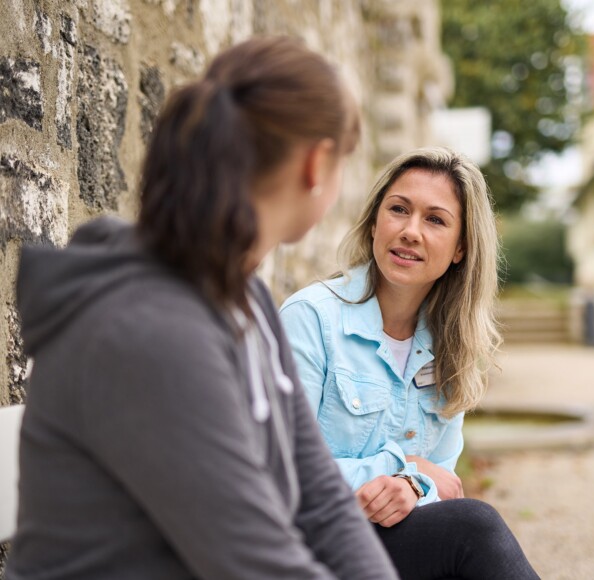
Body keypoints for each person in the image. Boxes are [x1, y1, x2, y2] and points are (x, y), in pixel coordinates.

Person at [7, 37, 399, 579]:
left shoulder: (248, 299)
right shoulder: (148, 331)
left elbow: (324, 503)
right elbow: (256, 565)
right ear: (316, 164)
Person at [280, 147, 540, 580]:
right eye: (398, 210)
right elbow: (280, 469)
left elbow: (443, 485)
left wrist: (411, 485)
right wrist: (404, 471)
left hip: (384, 547)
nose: (410, 231)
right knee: (475, 528)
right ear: (375, 221)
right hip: (305, 546)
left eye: (435, 219)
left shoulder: (452, 345)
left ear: (460, 248)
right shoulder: (311, 319)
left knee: (468, 530)